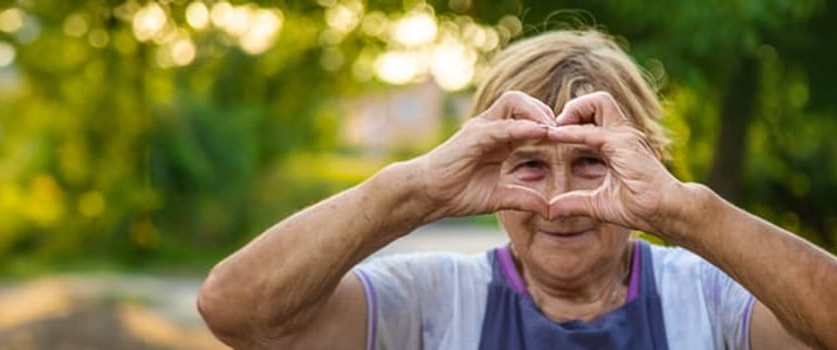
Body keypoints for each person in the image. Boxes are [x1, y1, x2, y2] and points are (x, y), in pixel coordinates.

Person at [195, 30, 837, 349]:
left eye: (592, 162)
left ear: (648, 164)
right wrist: (416, 188)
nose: (559, 200)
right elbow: (236, 311)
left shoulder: (707, 296)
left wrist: (683, 209)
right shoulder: (434, 300)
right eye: (528, 164)